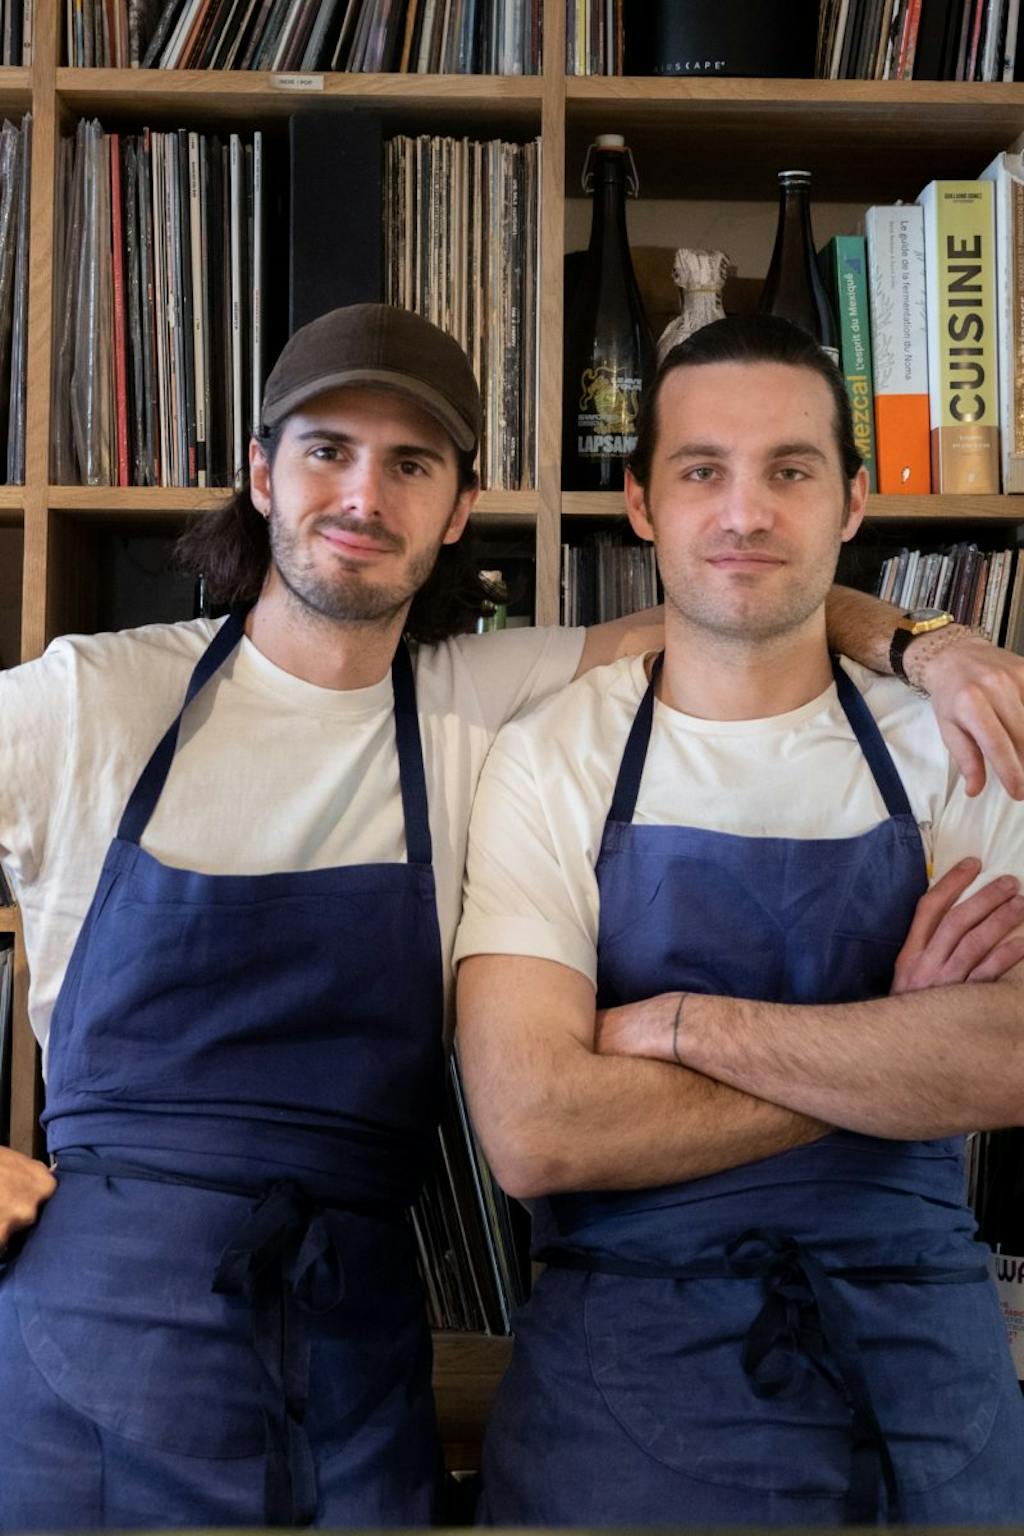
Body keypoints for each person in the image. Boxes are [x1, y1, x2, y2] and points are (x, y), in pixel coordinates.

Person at [0, 304, 1021, 1530]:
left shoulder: (477, 704)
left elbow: (745, 594)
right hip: (92, 1351)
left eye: (411, 464)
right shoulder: (92, 701)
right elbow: (537, 1130)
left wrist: (929, 644)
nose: (363, 495)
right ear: (262, 472)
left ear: (458, 506)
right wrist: (894, 1059)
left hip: (354, 1366)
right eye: (327, 449)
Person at [455, 313, 1024, 1527]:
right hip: (625, 1399)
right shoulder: (553, 752)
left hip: (920, 1380)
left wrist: (671, 1026)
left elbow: (1009, 1057)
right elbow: (536, 1128)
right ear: (642, 503)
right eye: (702, 470)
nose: (746, 512)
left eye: (791, 471)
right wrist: (898, 1045)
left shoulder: (955, 744)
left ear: (853, 504)